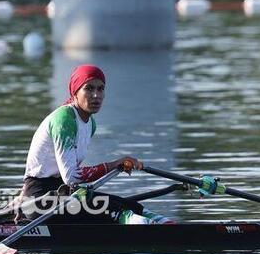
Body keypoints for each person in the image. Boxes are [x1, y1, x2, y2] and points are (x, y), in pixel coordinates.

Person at [16, 64, 172, 224]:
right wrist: (115, 164)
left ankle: (167, 226)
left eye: (100, 89)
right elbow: (72, 177)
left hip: (60, 194)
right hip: (40, 201)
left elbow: (46, 165)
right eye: (89, 89)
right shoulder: (64, 120)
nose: (96, 95)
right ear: (75, 92)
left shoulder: (90, 124)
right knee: (113, 207)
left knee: (129, 205)